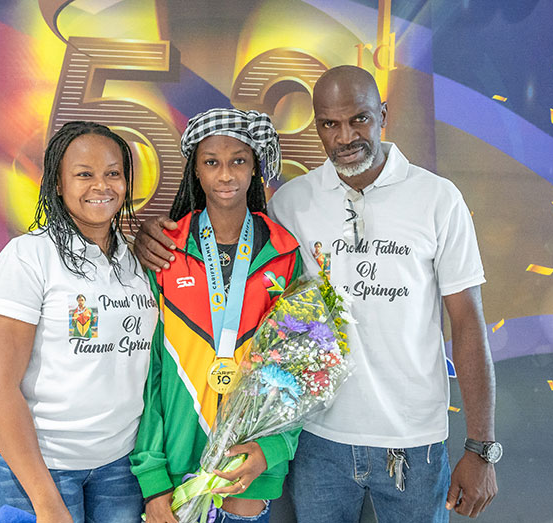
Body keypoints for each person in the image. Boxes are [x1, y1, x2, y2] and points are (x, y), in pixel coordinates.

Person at [134, 66, 498, 522]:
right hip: (318, 442)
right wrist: (149, 237)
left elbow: (467, 322)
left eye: (359, 119)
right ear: (317, 127)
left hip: (415, 442)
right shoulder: (291, 205)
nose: (346, 136)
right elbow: (227, 243)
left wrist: (481, 447)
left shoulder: (438, 199)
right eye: (330, 123)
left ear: (383, 115)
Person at [0, 121, 158, 523]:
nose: (102, 185)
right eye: (83, 174)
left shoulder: (135, 262)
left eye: (113, 172)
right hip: (39, 469)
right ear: (57, 184)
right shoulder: (28, 257)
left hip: (120, 468)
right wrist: (45, 501)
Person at [130, 108, 304, 523]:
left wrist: (274, 449)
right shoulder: (166, 252)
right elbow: (149, 370)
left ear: (255, 169)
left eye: (238, 161)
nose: (225, 174)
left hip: (250, 465)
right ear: (195, 171)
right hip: (175, 462)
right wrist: (153, 476)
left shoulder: (285, 254)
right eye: (211, 162)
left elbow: (300, 368)